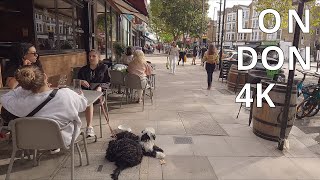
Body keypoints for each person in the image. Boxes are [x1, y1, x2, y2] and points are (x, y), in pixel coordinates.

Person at [0, 65, 87, 148]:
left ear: (25, 86)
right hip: (63, 139)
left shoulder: (22, 103)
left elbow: (4, 98)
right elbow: (83, 105)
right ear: (45, 77)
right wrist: (81, 95)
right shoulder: (66, 94)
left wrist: (24, 89)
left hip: (31, 141)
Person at [77, 49, 110, 137]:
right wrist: (81, 81)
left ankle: (89, 127)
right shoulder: (83, 69)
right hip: (84, 93)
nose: (91, 58)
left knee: (89, 102)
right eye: (89, 56)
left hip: (98, 95)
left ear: (99, 58)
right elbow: (76, 82)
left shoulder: (104, 68)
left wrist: (100, 87)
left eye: (94, 56)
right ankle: (73, 127)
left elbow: (108, 82)